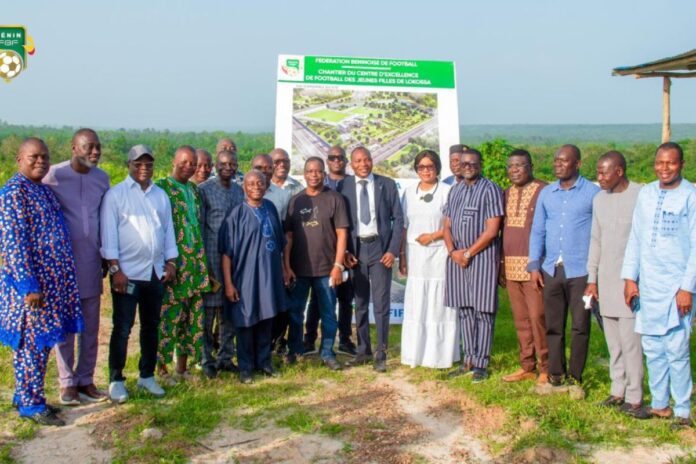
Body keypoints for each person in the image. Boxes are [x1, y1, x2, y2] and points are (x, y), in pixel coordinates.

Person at [0, 138, 83, 426]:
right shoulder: (14, 193)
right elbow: (14, 244)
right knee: (31, 346)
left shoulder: (42, 191)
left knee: (39, 347)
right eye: (34, 157)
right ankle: (31, 404)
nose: (40, 162)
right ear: (19, 160)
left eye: (45, 157)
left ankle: (27, 395)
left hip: (50, 287)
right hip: (31, 291)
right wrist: (28, 286)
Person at [622, 142, 696, 428]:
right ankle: (660, 404)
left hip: (676, 286)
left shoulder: (690, 196)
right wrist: (630, 278)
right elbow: (636, 238)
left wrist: (687, 287)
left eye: (671, 163)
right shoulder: (647, 194)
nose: (664, 168)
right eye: (660, 163)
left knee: (676, 349)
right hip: (648, 284)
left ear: (682, 165)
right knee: (652, 347)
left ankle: (682, 410)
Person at [101, 144, 178, 403]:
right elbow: (109, 236)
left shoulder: (160, 195)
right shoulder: (116, 195)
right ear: (129, 165)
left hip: (155, 273)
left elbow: (168, 230)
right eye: (138, 164)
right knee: (122, 328)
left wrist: (171, 262)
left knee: (151, 326)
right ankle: (116, 380)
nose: (144, 168)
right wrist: (115, 270)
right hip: (128, 275)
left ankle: (146, 376)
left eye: (148, 164)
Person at [43, 128, 110, 405]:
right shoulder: (53, 177)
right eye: (88, 147)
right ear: (73, 148)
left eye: (97, 148)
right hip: (63, 266)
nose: (94, 152)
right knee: (66, 325)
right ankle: (67, 383)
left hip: (92, 261)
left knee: (91, 326)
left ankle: (86, 380)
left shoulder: (102, 179)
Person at [528, 144, 599, 396]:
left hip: (580, 270)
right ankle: (556, 376)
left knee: (580, 325)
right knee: (554, 325)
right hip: (551, 269)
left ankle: (575, 377)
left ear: (577, 164)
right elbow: (537, 230)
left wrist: (596, 273)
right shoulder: (547, 193)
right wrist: (534, 264)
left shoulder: (592, 193)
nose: (558, 164)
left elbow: (598, 234)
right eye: (556, 160)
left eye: (564, 161)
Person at [584, 151, 646, 417]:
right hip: (605, 280)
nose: (599, 177)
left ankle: (634, 396)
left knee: (631, 342)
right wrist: (592, 280)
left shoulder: (641, 195)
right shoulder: (599, 199)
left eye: (603, 172)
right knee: (613, 342)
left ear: (619, 171)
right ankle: (617, 390)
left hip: (630, 282)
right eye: (598, 172)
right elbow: (595, 241)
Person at [340, 146, 404, 372]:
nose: (363, 164)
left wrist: (392, 251)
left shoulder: (386, 184)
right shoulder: (344, 186)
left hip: (380, 250)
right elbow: (341, 223)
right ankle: (363, 350)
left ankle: (381, 352)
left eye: (367, 159)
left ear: (372, 161)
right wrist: (345, 252)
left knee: (382, 303)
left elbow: (398, 219)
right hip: (356, 252)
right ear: (351, 164)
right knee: (360, 303)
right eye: (358, 161)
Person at [219, 170, 286, 384]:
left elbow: (281, 244)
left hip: (269, 275)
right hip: (245, 277)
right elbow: (226, 254)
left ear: (266, 185)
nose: (256, 186)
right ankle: (246, 368)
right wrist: (229, 284)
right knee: (245, 320)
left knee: (267, 318)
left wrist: (284, 269)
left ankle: (264, 362)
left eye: (260, 183)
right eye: (251, 183)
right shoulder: (236, 214)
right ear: (244, 188)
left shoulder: (271, 208)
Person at [444, 148, 504, 382]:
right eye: (464, 163)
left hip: (481, 259)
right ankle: (468, 358)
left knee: (483, 311)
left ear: (480, 165)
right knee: (465, 310)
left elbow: (492, 230)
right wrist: (453, 252)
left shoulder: (490, 189)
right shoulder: (455, 191)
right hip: (457, 259)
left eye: (472, 163)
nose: (467, 166)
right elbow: (446, 226)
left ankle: (481, 363)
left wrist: (468, 253)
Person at [284, 157, 349, 370]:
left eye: (318, 171)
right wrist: (287, 266)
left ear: (324, 173)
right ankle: (295, 350)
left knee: (329, 313)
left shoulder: (335, 199)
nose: (314, 175)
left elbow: (342, 234)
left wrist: (338, 266)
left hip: (326, 269)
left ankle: (328, 352)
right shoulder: (296, 201)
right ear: (304, 174)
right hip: (299, 269)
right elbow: (289, 238)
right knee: (295, 312)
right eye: (310, 171)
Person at [155, 146, 211, 384]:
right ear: (174, 161)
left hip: (196, 266)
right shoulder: (161, 189)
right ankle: (162, 370)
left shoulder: (195, 191)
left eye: (193, 164)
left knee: (192, 318)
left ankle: (182, 368)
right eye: (185, 162)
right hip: (173, 265)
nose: (189, 167)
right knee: (169, 318)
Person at [399, 150, 458, 368]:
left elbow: (451, 225)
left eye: (430, 166)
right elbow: (403, 226)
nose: (426, 170)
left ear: (437, 168)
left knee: (438, 303)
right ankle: (415, 354)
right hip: (416, 255)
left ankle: (439, 356)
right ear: (416, 170)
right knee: (418, 302)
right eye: (421, 167)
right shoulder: (408, 193)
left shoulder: (447, 191)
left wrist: (432, 236)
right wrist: (402, 254)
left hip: (439, 253)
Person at [499, 149, 549, 385]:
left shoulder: (543, 191)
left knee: (538, 317)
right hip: (510, 267)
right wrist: (500, 264)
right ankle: (527, 365)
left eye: (519, 165)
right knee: (520, 319)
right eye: (510, 166)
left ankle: (546, 367)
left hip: (534, 269)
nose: (514, 170)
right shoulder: (506, 193)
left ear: (530, 166)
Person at [304, 145, 356, 356]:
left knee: (345, 298)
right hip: (325, 254)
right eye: (332, 157)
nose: (336, 160)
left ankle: (344, 339)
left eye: (340, 157)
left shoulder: (352, 183)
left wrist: (345, 253)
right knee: (317, 299)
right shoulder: (318, 187)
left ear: (345, 161)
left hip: (350, 251)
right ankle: (309, 339)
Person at [199, 150, 245, 378]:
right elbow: (199, 227)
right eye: (224, 164)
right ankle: (207, 359)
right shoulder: (204, 190)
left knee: (230, 310)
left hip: (234, 259)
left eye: (233, 164)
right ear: (216, 165)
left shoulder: (239, 191)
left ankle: (226, 357)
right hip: (211, 257)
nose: (228, 167)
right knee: (208, 313)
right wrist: (202, 264)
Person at [253, 153, 292, 221]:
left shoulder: (284, 195)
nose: (263, 171)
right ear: (252, 169)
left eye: (268, 168)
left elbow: (284, 224)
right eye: (259, 168)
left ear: (273, 170)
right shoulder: (242, 192)